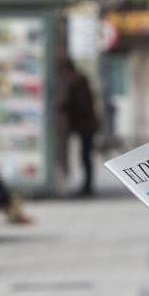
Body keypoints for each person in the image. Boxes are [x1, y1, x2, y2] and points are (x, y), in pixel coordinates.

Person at [57, 58, 99, 196]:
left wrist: (64, 106)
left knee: (85, 155)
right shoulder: (79, 82)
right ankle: (87, 185)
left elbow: (80, 105)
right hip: (85, 124)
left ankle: (87, 186)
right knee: (85, 155)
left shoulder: (77, 82)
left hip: (85, 124)